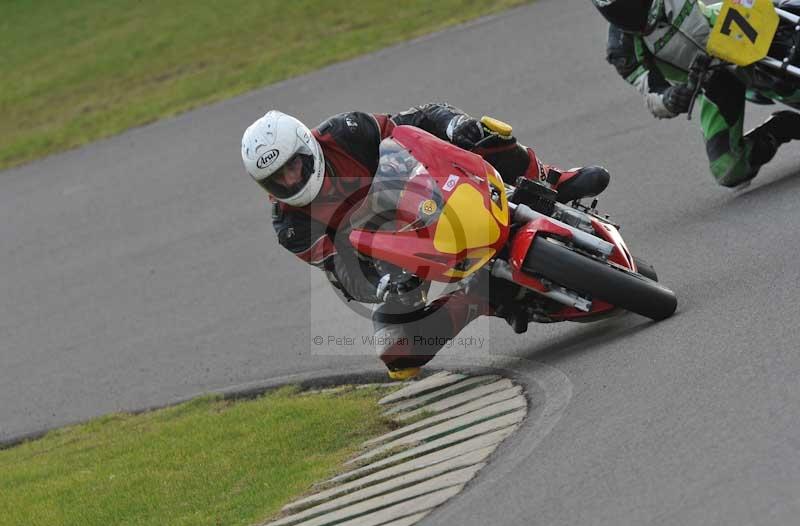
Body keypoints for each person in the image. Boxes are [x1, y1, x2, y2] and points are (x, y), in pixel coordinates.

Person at [241, 104, 610, 379]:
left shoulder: (346, 131)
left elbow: (415, 122)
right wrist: (383, 285)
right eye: (278, 179)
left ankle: (552, 180)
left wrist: (456, 125)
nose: (291, 181)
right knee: (397, 354)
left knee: (487, 136)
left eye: (294, 166)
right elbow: (342, 270)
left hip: (417, 189)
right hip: (388, 254)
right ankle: (482, 298)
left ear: (309, 146)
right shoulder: (290, 226)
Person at [594, 0, 800, 188]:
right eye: (616, 10)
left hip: (732, 28)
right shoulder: (622, 49)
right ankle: (784, 127)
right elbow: (651, 94)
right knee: (727, 168)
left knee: (787, 25)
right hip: (710, 80)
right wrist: (672, 98)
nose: (627, 12)